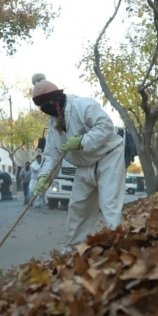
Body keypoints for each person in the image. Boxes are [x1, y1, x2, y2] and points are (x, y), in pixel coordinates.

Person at [31, 73, 125, 252]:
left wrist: (82, 141)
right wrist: (45, 177)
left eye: (44, 104)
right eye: (41, 106)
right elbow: (51, 155)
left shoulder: (83, 105)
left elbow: (105, 126)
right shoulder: (53, 125)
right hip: (84, 166)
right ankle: (72, 252)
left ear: (54, 100)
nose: (43, 109)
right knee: (77, 208)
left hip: (109, 157)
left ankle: (119, 248)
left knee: (109, 205)